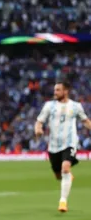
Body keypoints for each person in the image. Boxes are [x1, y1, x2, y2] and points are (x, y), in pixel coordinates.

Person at [34, 81, 91, 212]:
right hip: (53, 145)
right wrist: (38, 129)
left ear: (66, 91)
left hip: (69, 143)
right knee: (58, 175)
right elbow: (39, 121)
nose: (55, 92)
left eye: (58, 90)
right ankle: (67, 176)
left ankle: (63, 202)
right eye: (55, 90)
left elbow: (85, 121)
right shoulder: (49, 106)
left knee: (65, 168)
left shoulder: (76, 106)